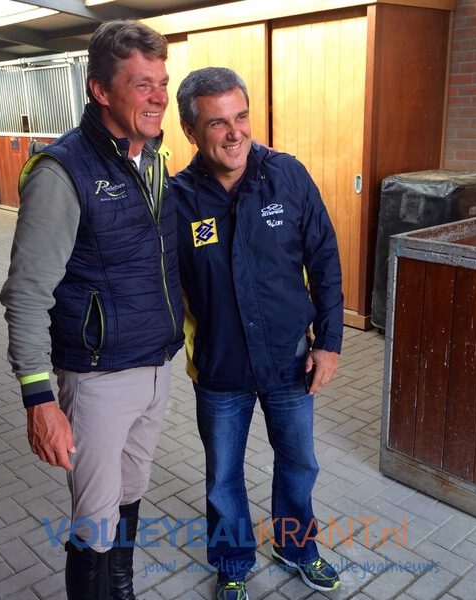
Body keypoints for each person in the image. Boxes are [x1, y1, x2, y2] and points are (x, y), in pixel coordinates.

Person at [0, 20, 183, 600]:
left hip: (155, 364)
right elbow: (26, 294)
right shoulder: (62, 172)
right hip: (99, 377)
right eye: (141, 84)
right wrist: (39, 400)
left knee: (130, 493)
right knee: (95, 518)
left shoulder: (153, 159)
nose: (158, 97)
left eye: (162, 83)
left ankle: (120, 590)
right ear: (100, 90)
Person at [171, 67, 344, 600]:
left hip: (291, 360)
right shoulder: (177, 200)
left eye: (241, 117)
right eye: (217, 122)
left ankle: (296, 547)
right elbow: (162, 288)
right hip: (220, 367)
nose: (235, 133)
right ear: (191, 131)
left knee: (299, 463)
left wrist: (329, 342)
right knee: (223, 475)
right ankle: (231, 561)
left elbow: (324, 259)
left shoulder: (286, 175)